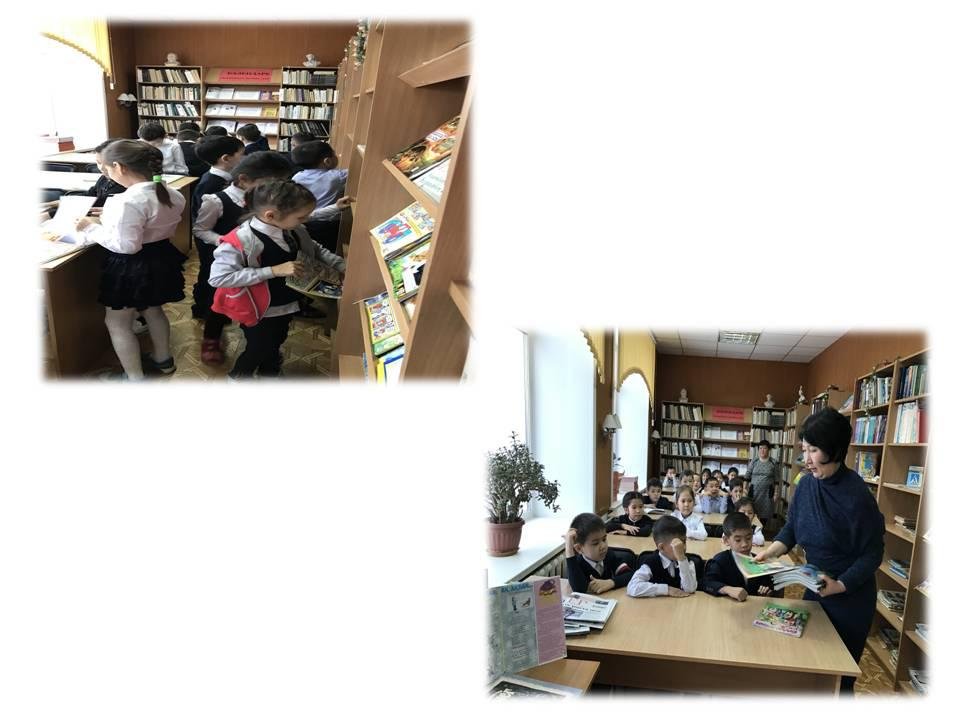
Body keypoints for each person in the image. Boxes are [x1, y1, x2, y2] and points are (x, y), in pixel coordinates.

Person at [752, 408, 884, 694]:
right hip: (816, 586)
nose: (806, 459)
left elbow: (873, 553)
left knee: (838, 682)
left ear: (834, 449)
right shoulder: (805, 485)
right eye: (804, 450)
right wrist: (770, 552)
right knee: (809, 672)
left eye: (813, 450)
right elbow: (792, 527)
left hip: (850, 597)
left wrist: (840, 584)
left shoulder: (858, 496)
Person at [208, 179, 346, 379]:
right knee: (258, 347)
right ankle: (238, 377)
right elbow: (219, 278)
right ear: (270, 215)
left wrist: (342, 266)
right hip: (259, 309)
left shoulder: (294, 228)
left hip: (287, 301)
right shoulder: (241, 240)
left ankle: (270, 370)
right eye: (302, 217)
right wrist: (272, 271)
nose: (307, 219)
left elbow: (315, 248)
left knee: (277, 338)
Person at [73, 140, 186, 380]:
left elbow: (127, 246)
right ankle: (163, 360)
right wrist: (110, 216)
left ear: (119, 167)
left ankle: (134, 379)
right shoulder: (173, 193)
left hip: (131, 267)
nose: (106, 173)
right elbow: (150, 222)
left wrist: (89, 227)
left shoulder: (125, 201)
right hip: (160, 257)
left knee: (117, 323)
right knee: (154, 310)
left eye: (107, 168)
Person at [192, 151, 294, 363]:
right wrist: (225, 241)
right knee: (218, 302)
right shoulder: (216, 201)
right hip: (226, 260)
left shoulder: (269, 201)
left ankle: (261, 345)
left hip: (257, 260)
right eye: (272, 183)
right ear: (244, 179)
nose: (277, 189)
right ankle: (211, 338)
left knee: (253, 300)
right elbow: (200, 230)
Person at [703, 512, 775, 601]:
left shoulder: (759, 561)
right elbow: (707, 583)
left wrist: (766, 592)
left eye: (748, 538)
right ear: (726, 540)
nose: (744, 544)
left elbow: (769, 585)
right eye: (738, 540)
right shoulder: (720, 561)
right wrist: (727, 589)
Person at [292, 140, 348, 252]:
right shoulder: (337, 176)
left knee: (313, 249)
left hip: (306, 222)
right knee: (329, 249)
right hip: (330, 223)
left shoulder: (297, 177)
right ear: (327, 161)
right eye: (334, 154)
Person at [626, 516, 699, 598]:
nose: (683, 547)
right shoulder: (651, 562)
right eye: (677, 545)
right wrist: (666, 589)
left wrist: (681, 560)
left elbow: (690, 589)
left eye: (684, 542)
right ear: (661, 547)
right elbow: (632, 587)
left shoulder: (687, 561)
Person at [565, 513, 637, 594]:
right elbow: (579, 590)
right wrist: (569, 550)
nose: (603, 546)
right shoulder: (576, 564)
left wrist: (610, 582)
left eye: (604, 539)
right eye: (595, 543)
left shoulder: (609, 554)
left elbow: (630, 575)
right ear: (579, 548)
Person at [191, 134, 246, 217]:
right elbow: (202, 216)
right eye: (242, 154)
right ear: (226, 158)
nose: (245, 157)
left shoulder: (232, 174)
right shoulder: (208, 185)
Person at [744, 440, 780, 529]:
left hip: (767, 493)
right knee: (752, 511)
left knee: (765, 514)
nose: (762, 450)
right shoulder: (754, 461)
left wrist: (776, 493)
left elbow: (777, 480)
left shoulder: (773, 462)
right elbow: (747, 476)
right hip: (754, 492)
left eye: (765, 448)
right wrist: (744, 489)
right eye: (760, 448)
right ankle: (751, 530)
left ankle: (760, 530)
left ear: (769, 450)